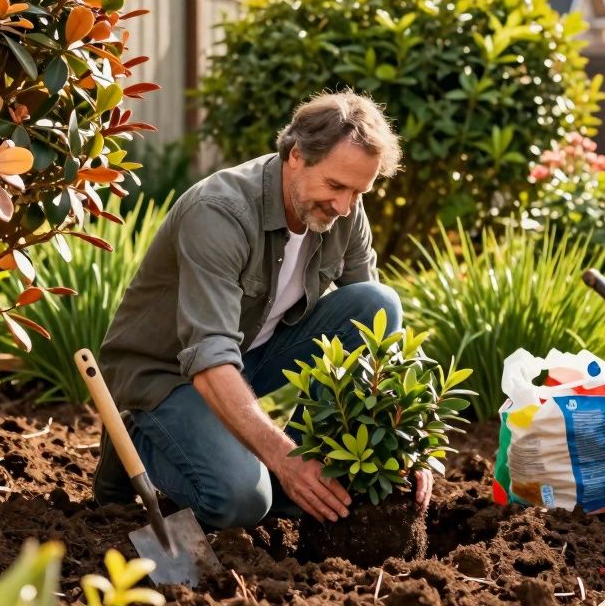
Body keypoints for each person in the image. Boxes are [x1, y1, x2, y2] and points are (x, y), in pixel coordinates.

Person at [94, 90, 432, 529]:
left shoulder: (344, 211)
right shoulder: (219, 212)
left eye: (358, 191)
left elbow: (375, 334)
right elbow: (209, 354)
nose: (345, 206)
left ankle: (291, 479)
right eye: (335, 186)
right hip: (167, 373)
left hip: (249, 357)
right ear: (295, 155)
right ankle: (141, 433)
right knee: (241, 502)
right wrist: (283, 457)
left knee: (376, 304)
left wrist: (405, 439)